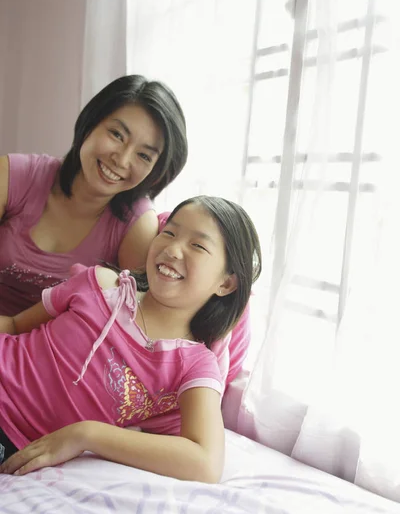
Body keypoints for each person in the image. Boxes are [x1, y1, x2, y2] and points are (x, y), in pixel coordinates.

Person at [0, 196, 262, 483]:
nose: (172, 249)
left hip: (12, 436)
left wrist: (86, 434)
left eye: (197, 245)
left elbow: (206, 463)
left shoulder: (195, 365)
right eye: (169, 233)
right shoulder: (99, 283)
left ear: (226, 283)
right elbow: (14, 325)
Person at [0, 74, 187, 317]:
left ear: (156, 172)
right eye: (117, 135)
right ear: (91, 123)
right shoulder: (15, 175)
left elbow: (133, 322)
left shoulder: (137, 225)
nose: (121, 159)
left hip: (54, 350)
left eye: (143, 156)